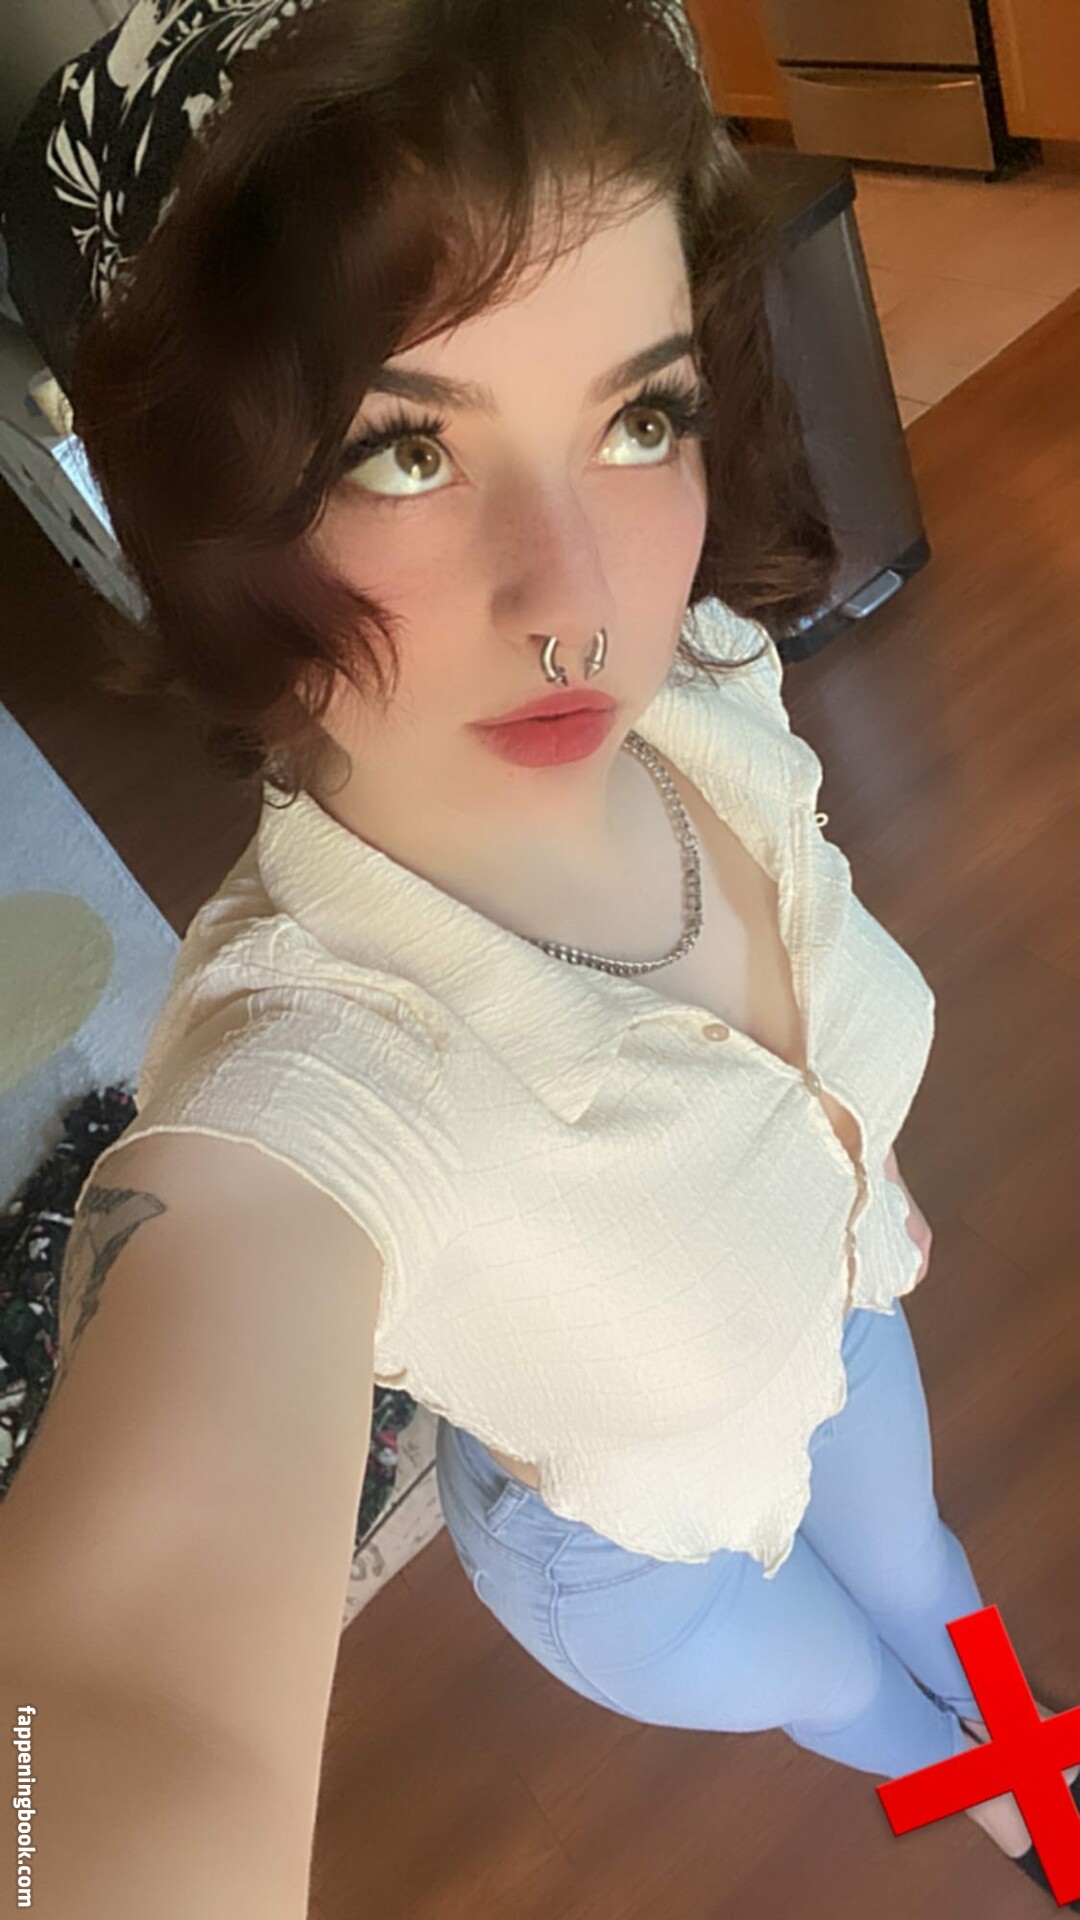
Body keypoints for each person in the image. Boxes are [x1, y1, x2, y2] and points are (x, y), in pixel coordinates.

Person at [0, 1, 1075, 1913]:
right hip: (636, 1557)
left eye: (638, 416)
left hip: (833, 1316)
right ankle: (1004, 1808)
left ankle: (1032, 1766)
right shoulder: (319, 1063)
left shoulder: (714, 687)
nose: (580, 601)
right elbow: (117, 1697)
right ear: (203, 509)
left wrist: (860, 1186)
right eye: (403, 448)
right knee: (856, 1691)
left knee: (928, 1575)